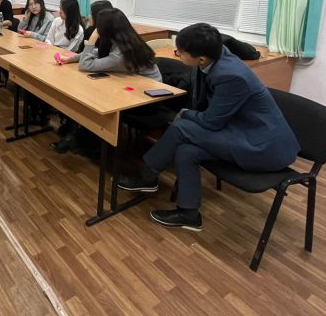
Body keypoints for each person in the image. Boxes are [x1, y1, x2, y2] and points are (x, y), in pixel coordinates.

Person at [117, 23, 300, 231]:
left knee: (181, 127)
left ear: (201, 59)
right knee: (187, 151)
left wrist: (186, 113)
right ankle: (189, 214)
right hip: (240, 129)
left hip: (263, 146)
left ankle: (147, 176)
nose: (178, 55)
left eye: (180, 53)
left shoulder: (230, 76)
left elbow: (212, 121)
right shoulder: (216, 56)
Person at [54, 8, 162, 153]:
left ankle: (84, 140)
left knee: (96, 99)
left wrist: (93, 38)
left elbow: (85, 65)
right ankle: (80, 137)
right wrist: (71, 58)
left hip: (146, 100)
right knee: (92, 93)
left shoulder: (121, 55)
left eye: (98, 26)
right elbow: (98, 53)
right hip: (131, 87)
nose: (95, 27)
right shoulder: (125, 40)